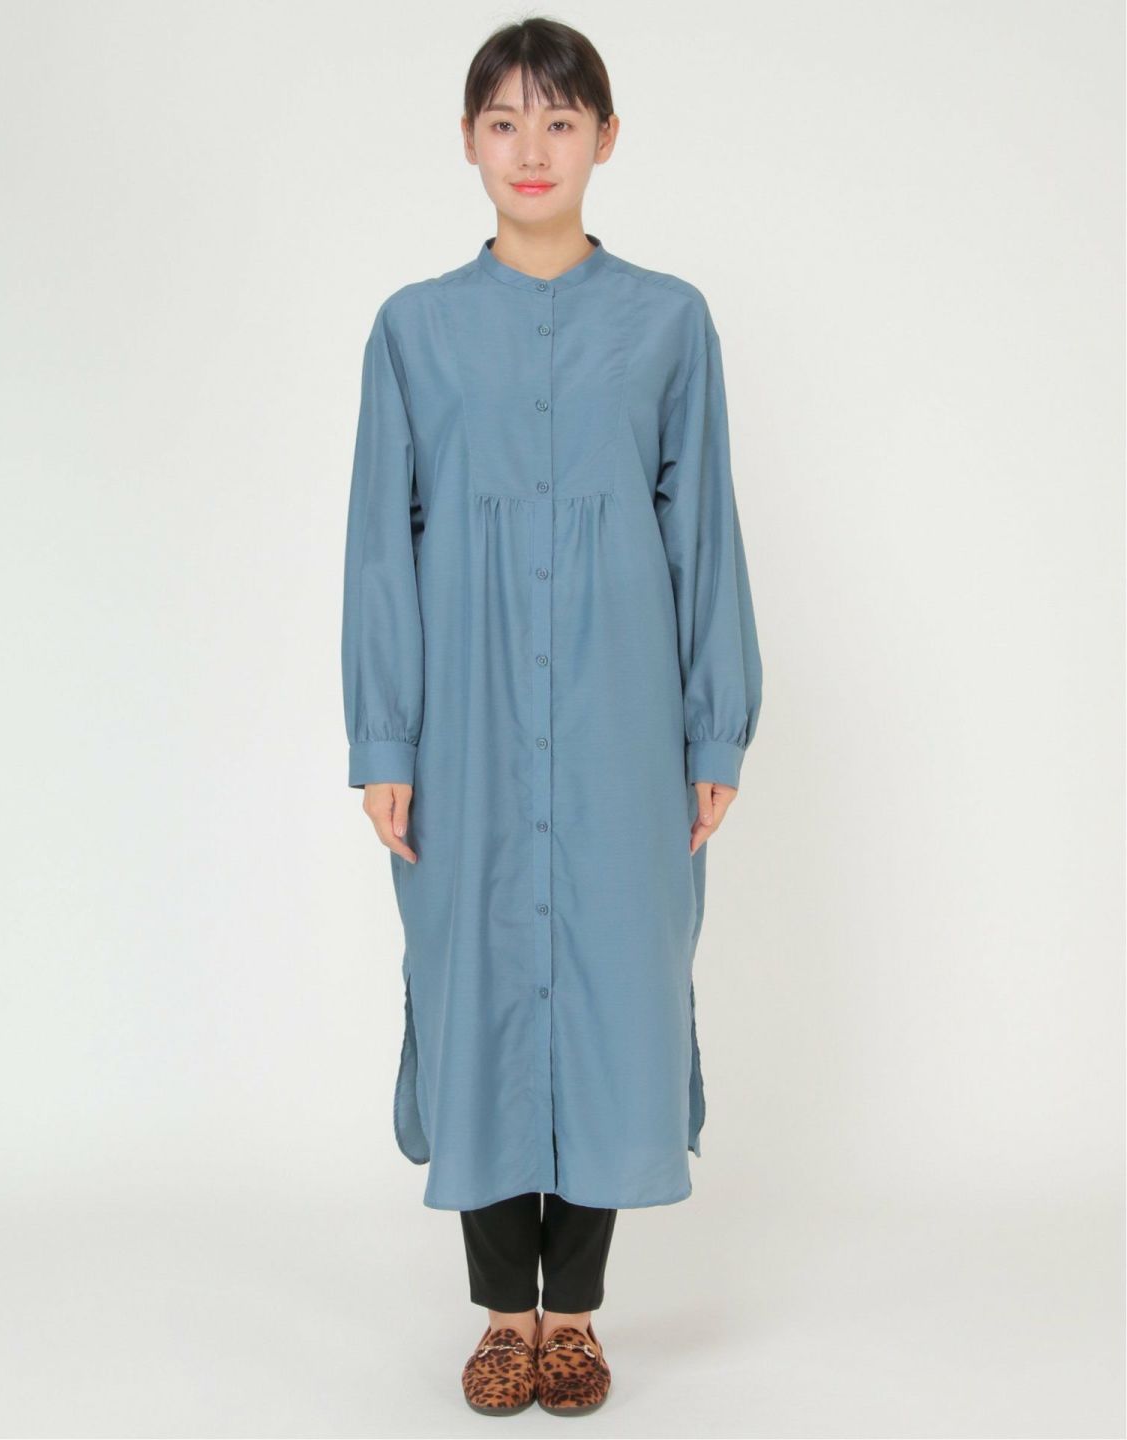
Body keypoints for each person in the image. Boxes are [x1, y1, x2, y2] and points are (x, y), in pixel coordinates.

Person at [341, 16, 763, 1417]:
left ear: (606, 139)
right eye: (506, 121)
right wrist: (385, 738)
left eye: (561, 121)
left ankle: (572, 1316)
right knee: (475, 984)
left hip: (622, 717)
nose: (533, 148)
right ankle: (498, 1316)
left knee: (612, 992)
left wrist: (713, 729)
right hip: (460, 721)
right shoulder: (412, 330)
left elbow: (702, 533)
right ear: (468, 140)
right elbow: (381, 544)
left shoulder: (670, 322)